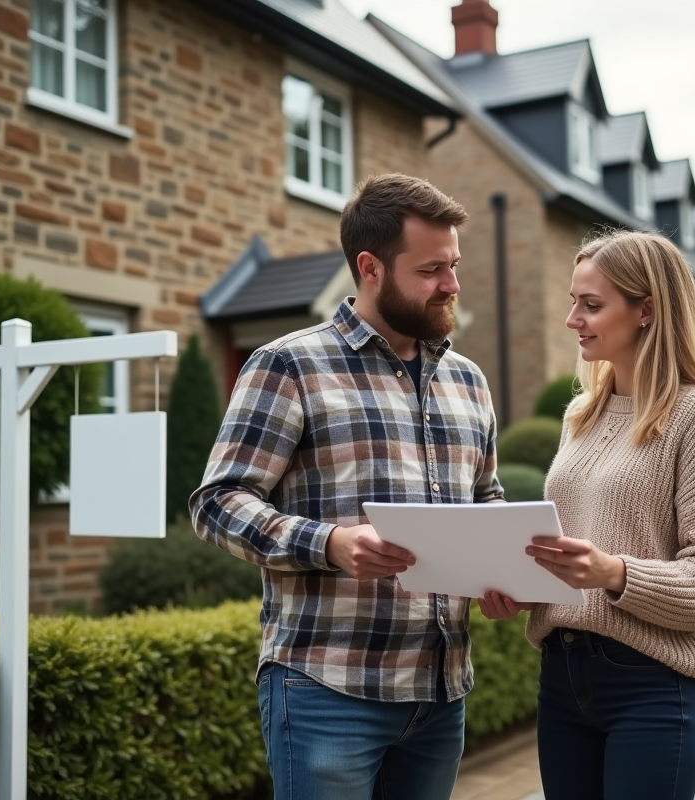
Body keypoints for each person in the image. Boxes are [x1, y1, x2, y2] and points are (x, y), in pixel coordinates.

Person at [190, 174, 502, 800]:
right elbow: (218, 503)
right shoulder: (288, 365)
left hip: (441, 695)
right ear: (371, 268)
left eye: (455, 265)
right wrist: (330, 543)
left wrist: (503, 568)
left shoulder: (469, 380)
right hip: (326, 692)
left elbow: (486, 500)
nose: (453, 285)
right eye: (432, 268)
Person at [478, 230, 695, 800]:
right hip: (561, 678)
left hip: (651, 686)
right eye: (574, 301)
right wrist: (523, 588)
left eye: (592, 304)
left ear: (646, 309)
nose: (573, 318)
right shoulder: (581, 413)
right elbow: (572, 555)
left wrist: (616, 574)